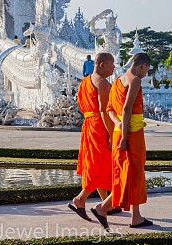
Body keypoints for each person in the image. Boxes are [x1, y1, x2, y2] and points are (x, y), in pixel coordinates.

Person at [90, 53, 153, 230]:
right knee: (134, 172)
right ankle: (102, 208)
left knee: (128, 173)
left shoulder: (118, 81)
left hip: (121, 130)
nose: (146, 73)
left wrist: (119, 126)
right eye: (147, 69)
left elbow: (110, 109)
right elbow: (126, 109)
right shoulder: (135, 80)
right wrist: (125, 136)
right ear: (142, 65)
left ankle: (136, 216)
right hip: (131, 134)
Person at [68, 52, 121, 221]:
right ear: (102, 65)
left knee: (96, 164)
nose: (114, 67)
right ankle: (81, 199)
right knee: (102, 164)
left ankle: (106, 203)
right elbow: (105, 111)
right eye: (112, 64)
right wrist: (112, 134)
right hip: (99, 126)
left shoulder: (85, 82)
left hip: (89, 124)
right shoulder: (103, 83)